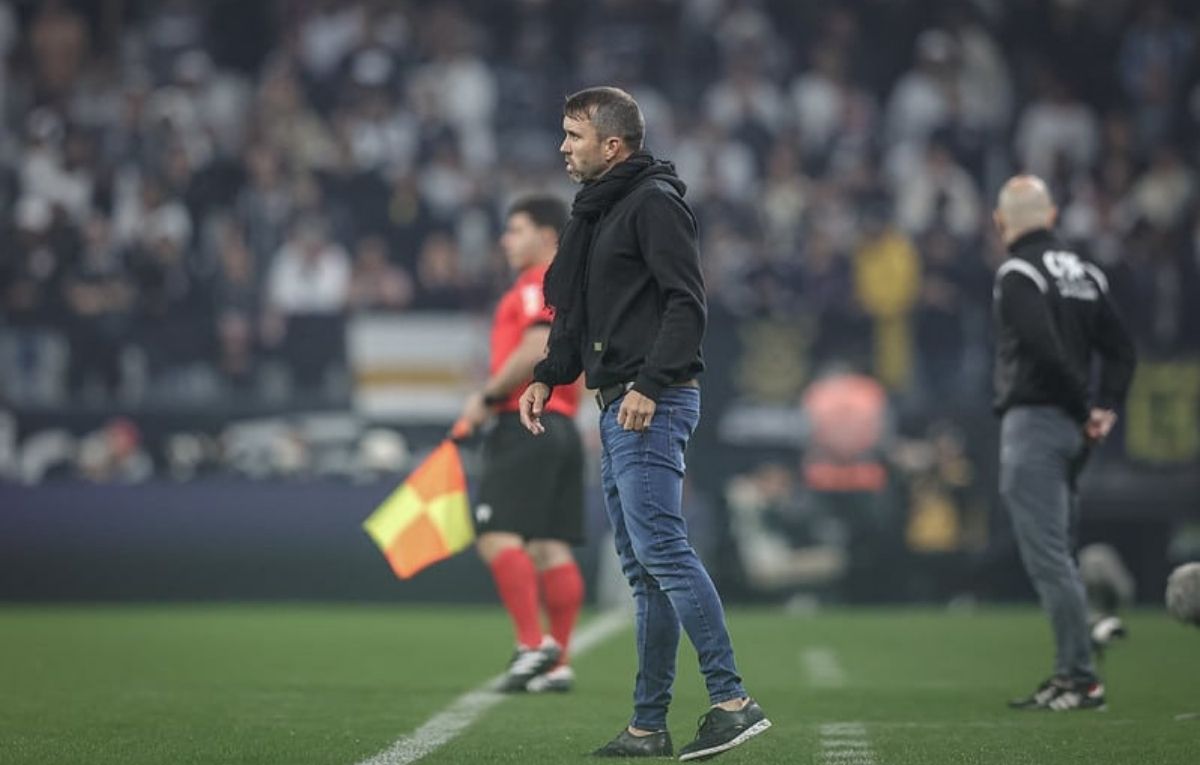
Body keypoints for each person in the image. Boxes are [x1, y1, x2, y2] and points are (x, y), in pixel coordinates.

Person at [518, 86, 771, 761]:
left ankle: (732, 700)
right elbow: (578, 316)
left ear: (614, 144)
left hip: (647, 403)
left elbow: (686, 305)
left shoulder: (653, 203)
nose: (564, 148)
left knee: (661, 553)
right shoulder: (597, 211)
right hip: (618, 401)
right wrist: (547, 374)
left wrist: (653, 385)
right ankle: (647, 725)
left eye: (575, 136)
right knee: (645, 573)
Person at [990, 175, 1136, 711]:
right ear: (1051, 217)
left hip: (1036, 424)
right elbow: (1122, 350)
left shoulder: (1017, 272)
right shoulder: (1086, 274)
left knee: (1050, 559)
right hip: (1075, 432)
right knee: (1061, 556)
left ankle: (1079, 678)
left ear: (1001, 223)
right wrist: (1103, 408)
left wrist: (1083, 407)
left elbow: (1043, 349)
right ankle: (1070, 672)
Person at [453, 195, 586, 694]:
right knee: (549, 546)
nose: (506, 240)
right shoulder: (572, 287)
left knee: (496, 535)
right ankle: (559, 661)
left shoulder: (538, 284)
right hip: (564, 423)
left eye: (515, 230)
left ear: (547, 236)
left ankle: (532, 647)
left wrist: (487, 396)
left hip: (524, 419)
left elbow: (537, 347)